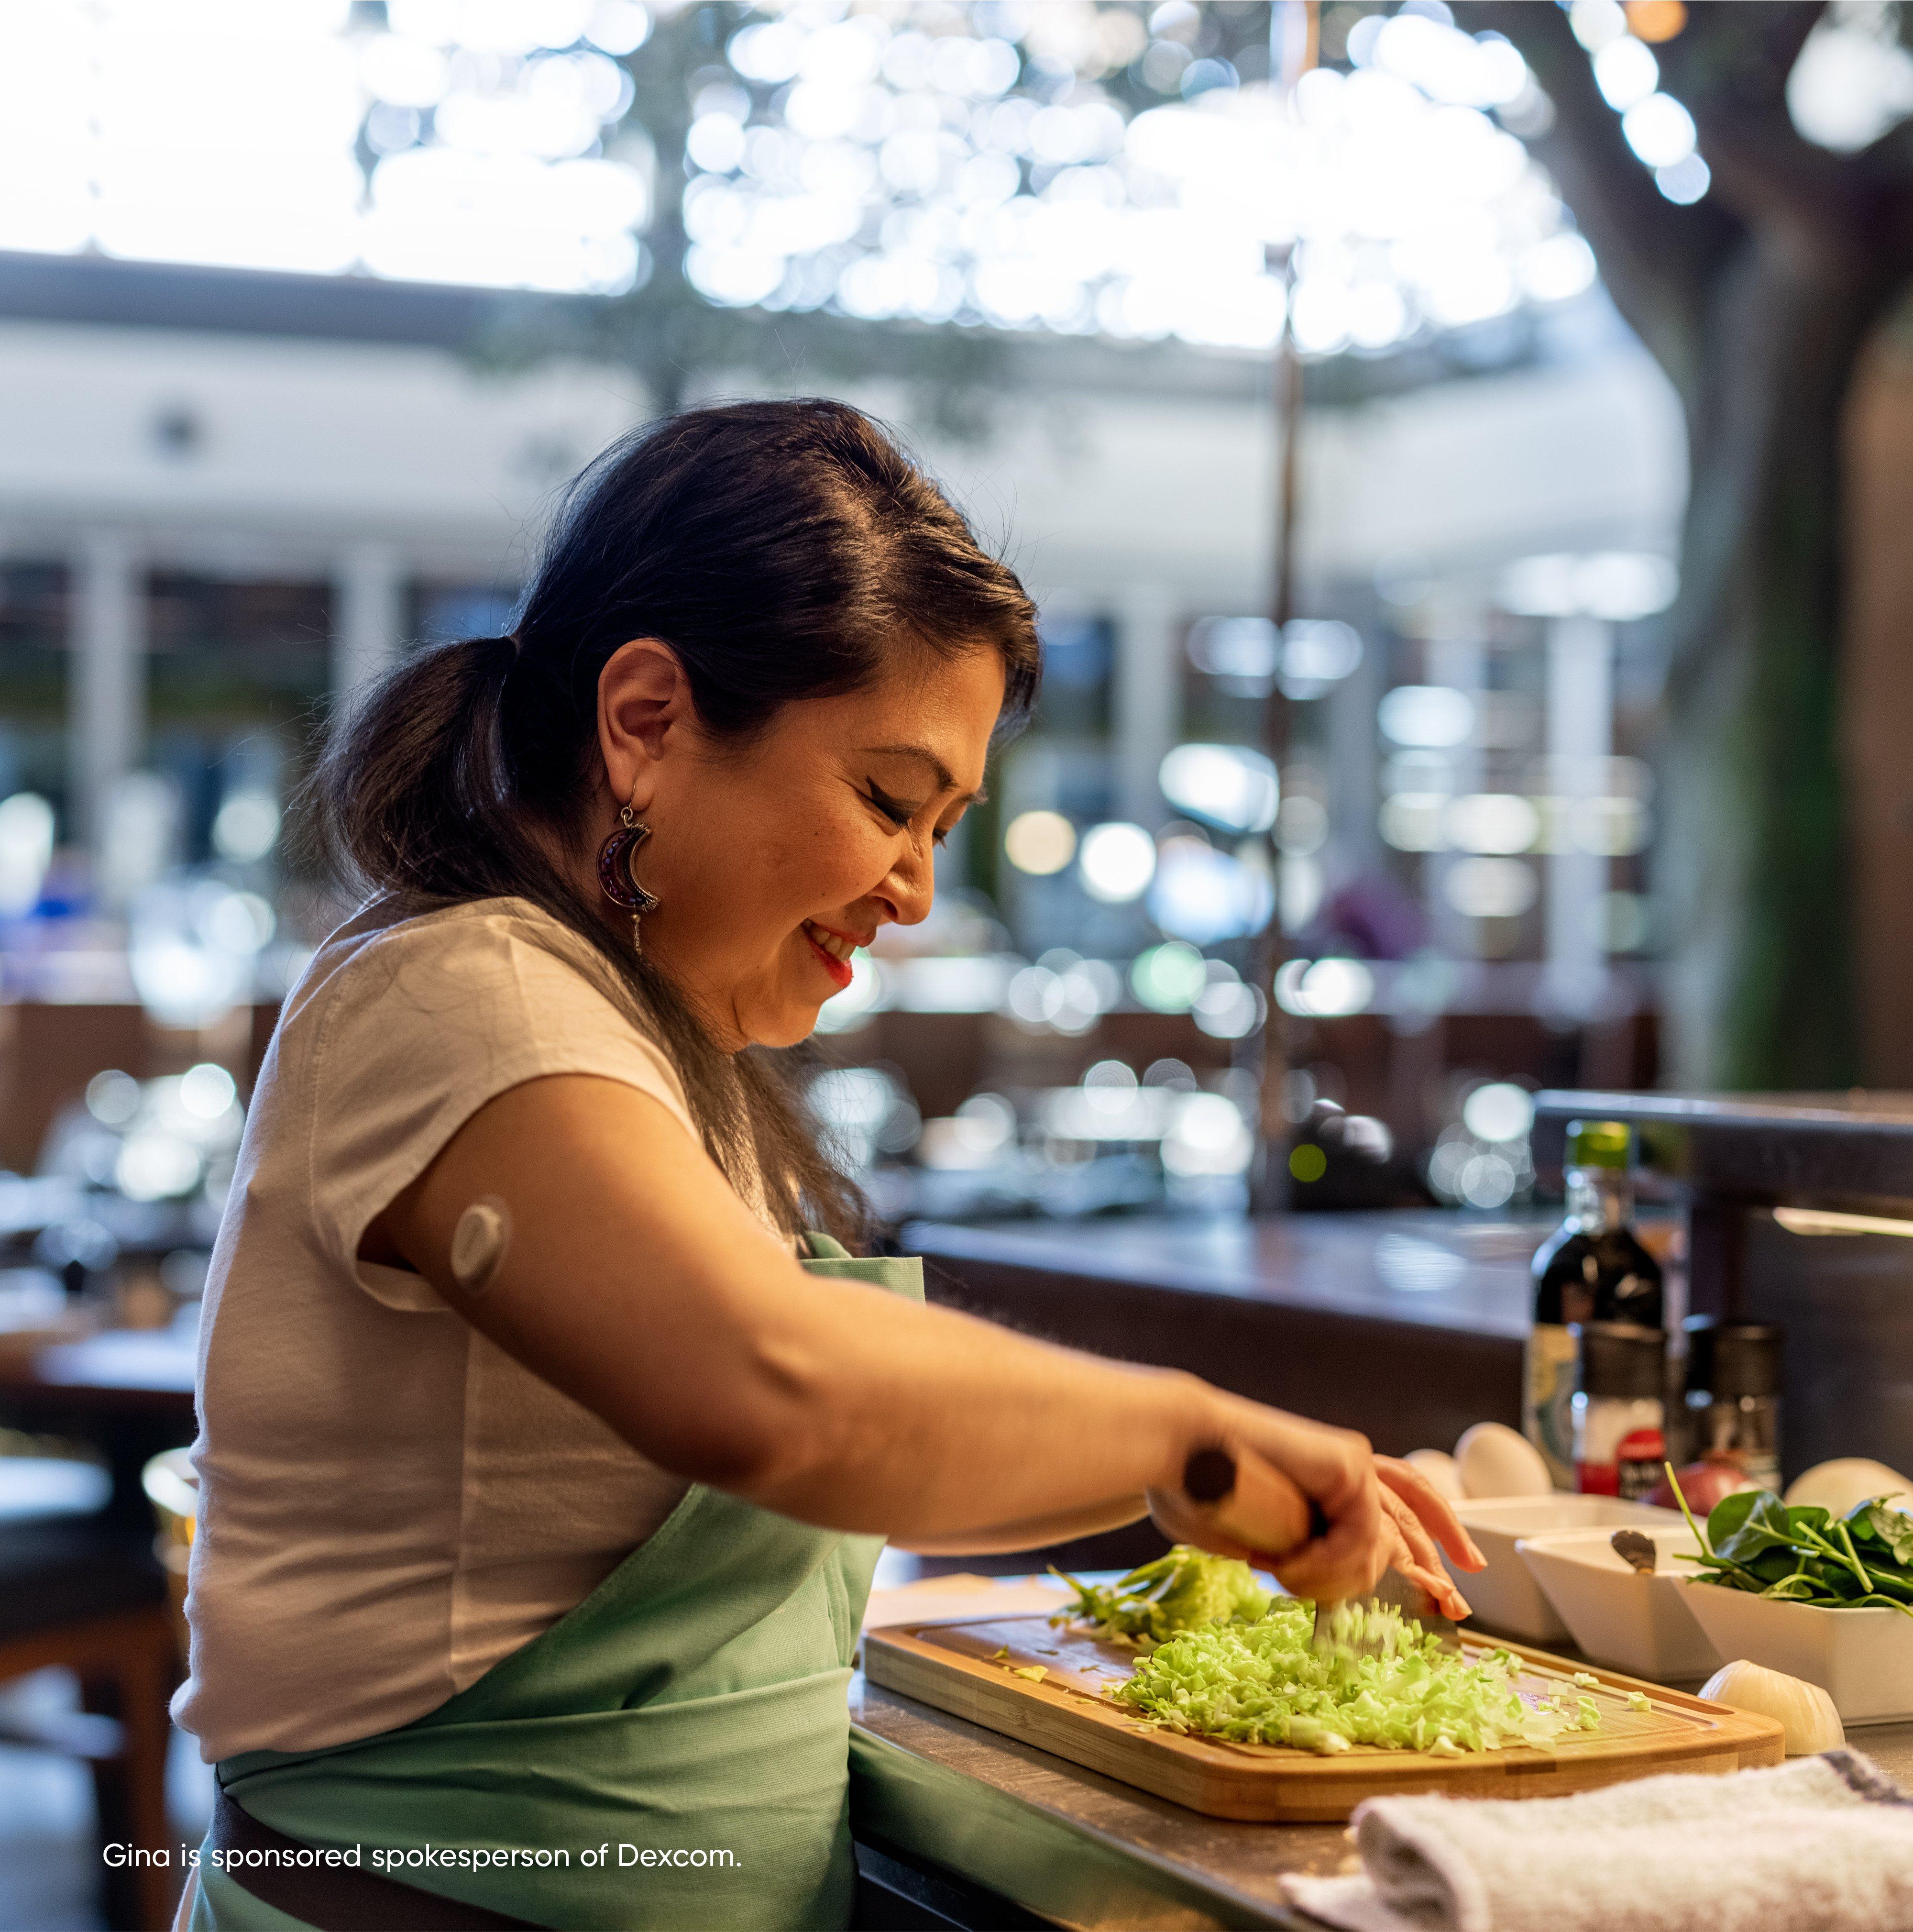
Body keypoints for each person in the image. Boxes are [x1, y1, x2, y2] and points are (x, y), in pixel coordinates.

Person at [172, 399, 1479, 1931]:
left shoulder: (652, 1041)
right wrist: (1192, 1435)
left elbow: (852, 1461)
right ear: (645, 720)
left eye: (944, 827)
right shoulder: (465, 993)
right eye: (888, 802)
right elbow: (779, 1392)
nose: (914, 890)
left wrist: (1187, 1489)